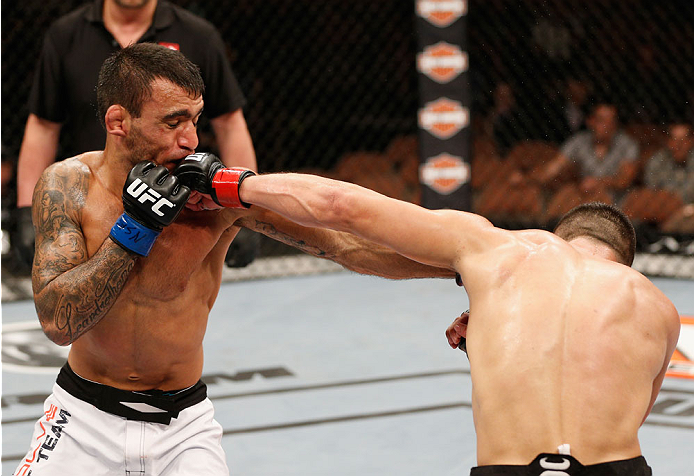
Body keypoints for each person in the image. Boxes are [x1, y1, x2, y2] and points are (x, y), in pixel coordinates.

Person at [14, 43, 454, 476]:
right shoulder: (69, 184)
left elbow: (344, 244)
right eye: (172, 122)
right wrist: (134, 230)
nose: (190, 140)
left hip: (182, 429)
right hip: (83, 420)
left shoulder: (216, 198)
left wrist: (463, 268)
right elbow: (59, 323)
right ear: (118, 122)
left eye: (195, 120)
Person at [185, 166, 680, 474]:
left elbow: (341, 208)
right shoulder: (657, 308)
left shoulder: (498, 246)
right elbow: (615, 406)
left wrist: (229, 185)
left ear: (556, 234)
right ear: (623, 264)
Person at [12, 0, 257, 274]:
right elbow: (44, 125)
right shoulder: (66, 35)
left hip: (177, 212)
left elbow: (229, 123)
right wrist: (28, 209)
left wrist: (244, 207)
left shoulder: (197, 35)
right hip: (89, 209)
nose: (191, 138)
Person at [539, 102, 640, 223]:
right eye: (601, 120)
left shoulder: (627, 145)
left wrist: (599, 182)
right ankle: (549, 227)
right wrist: (527, 178)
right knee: (566, 193)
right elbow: (553, 169)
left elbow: (625, 180)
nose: (607, 125)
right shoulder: (578, 141)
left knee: (599, 195)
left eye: (611, 121)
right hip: (580, 192)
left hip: (613, 199)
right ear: (590, 121)